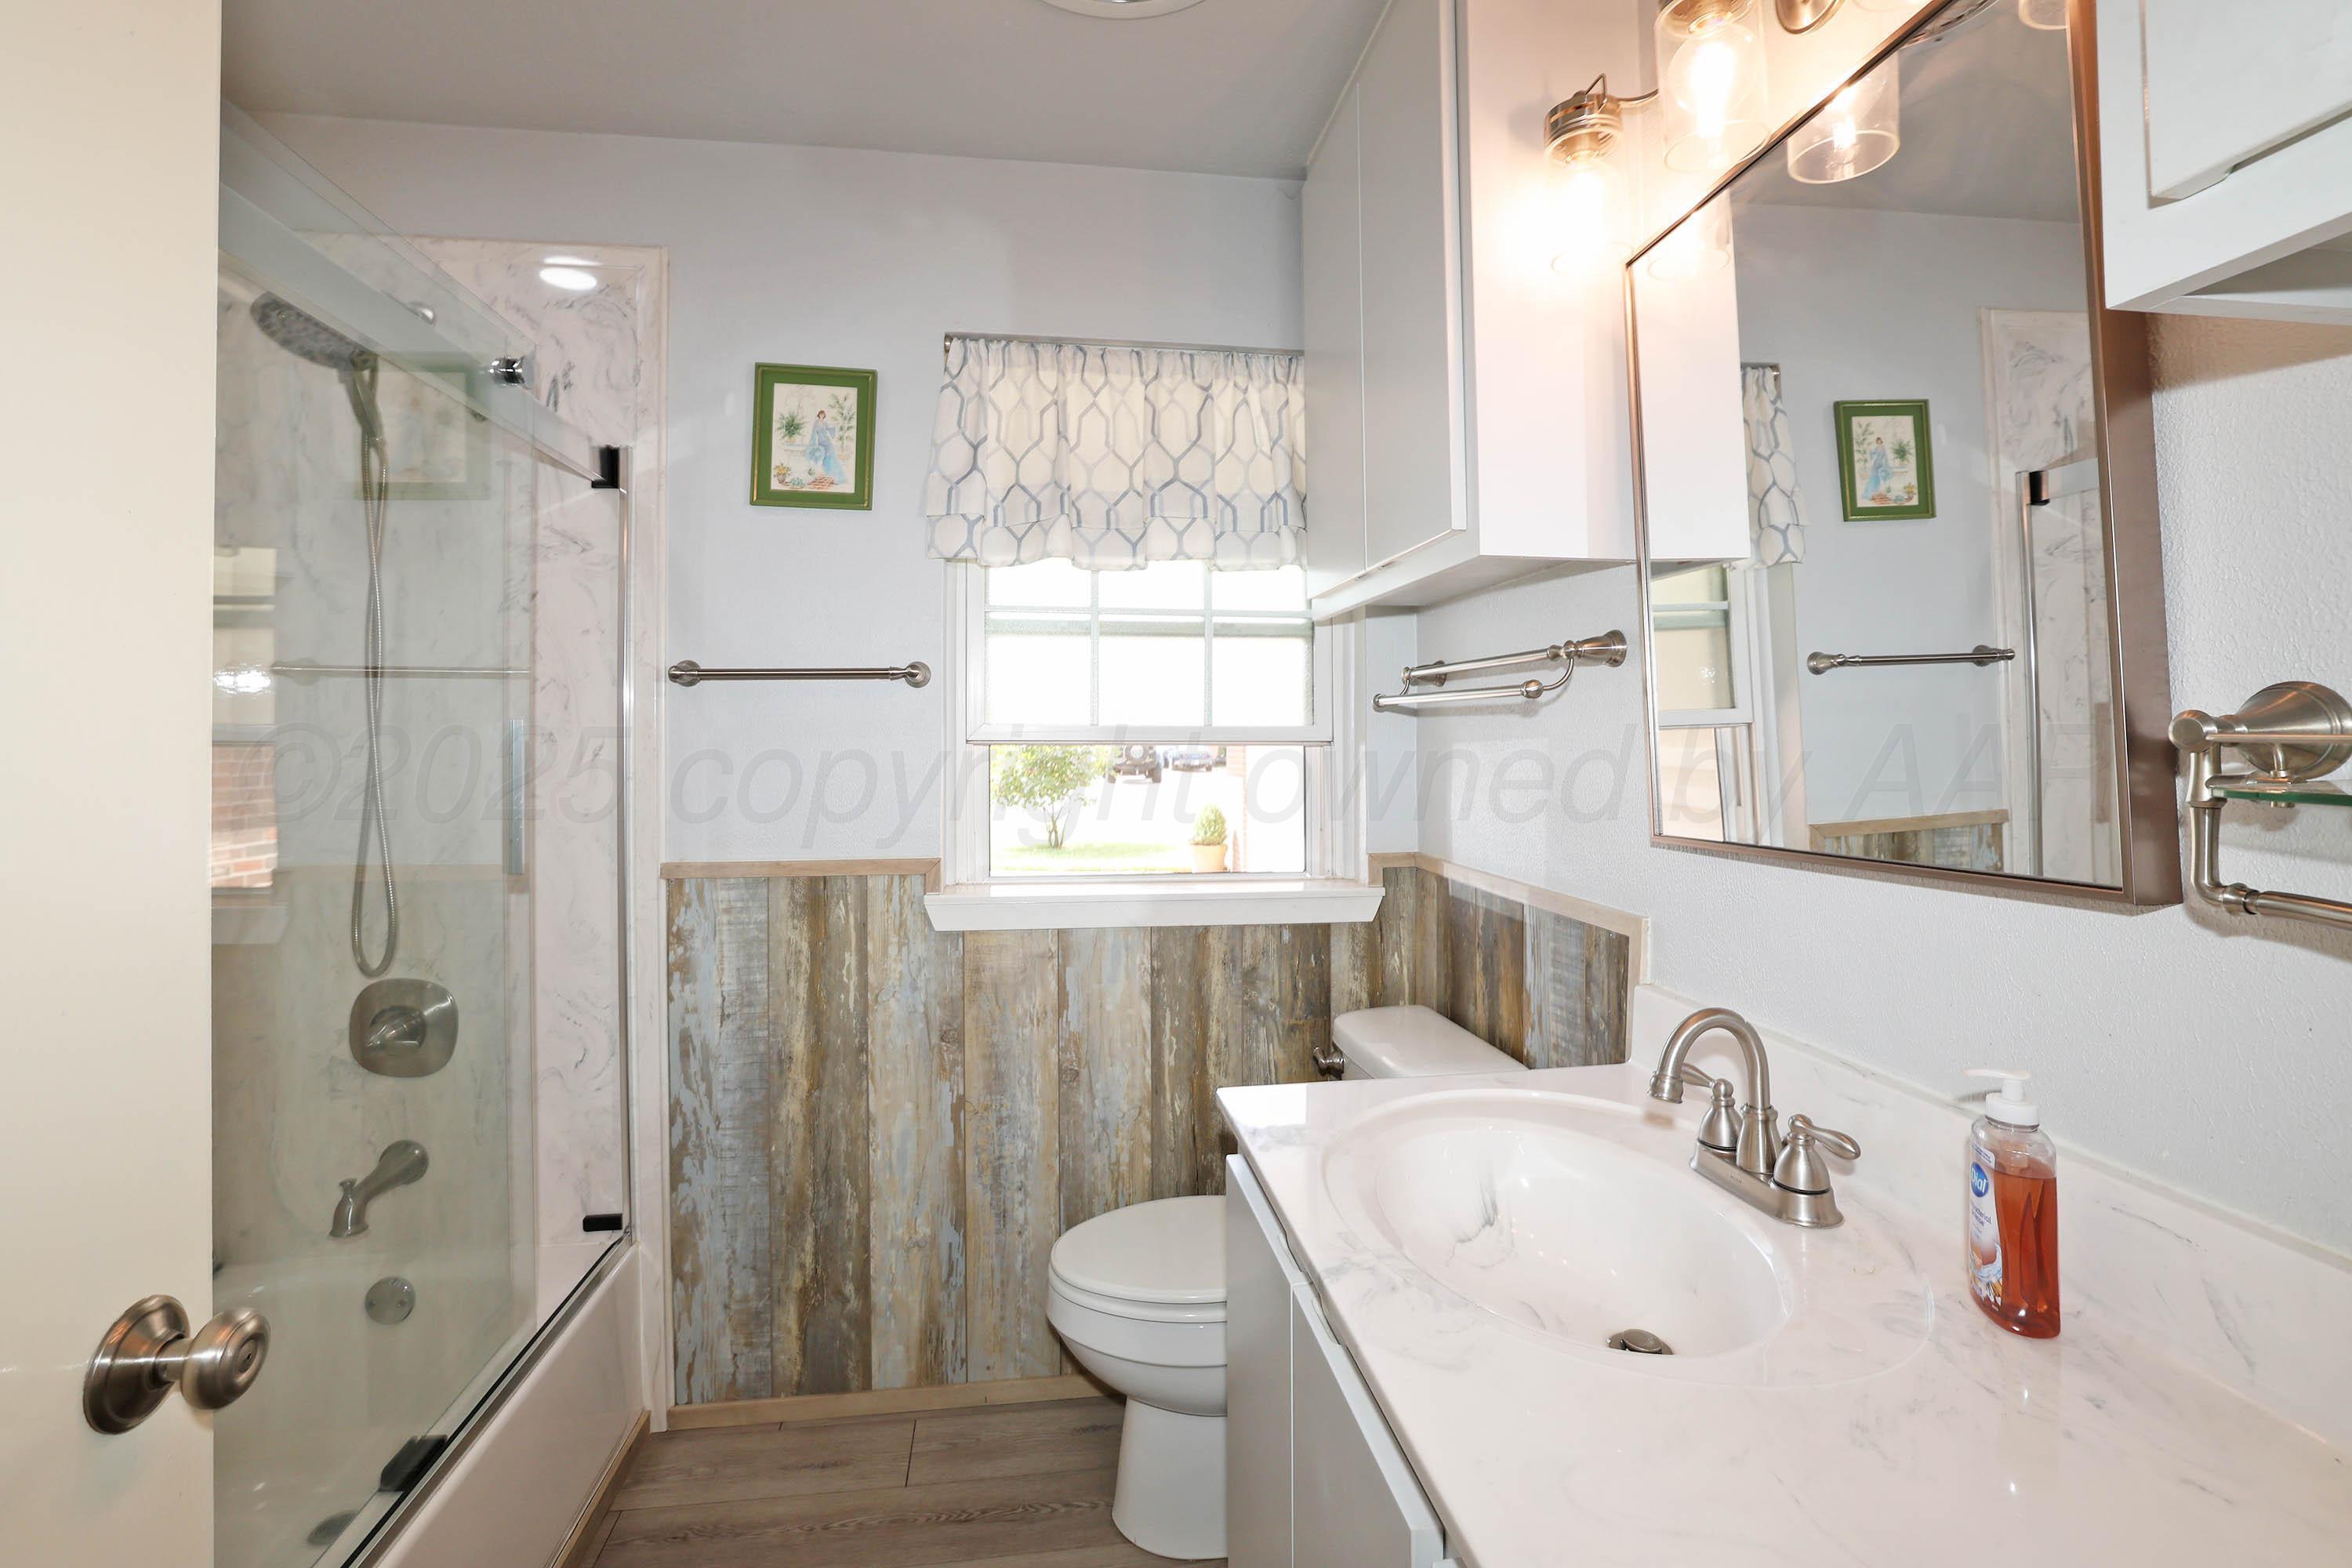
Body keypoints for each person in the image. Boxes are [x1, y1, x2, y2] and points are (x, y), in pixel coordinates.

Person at [806, 408, 847, 486]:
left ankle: (837, 477)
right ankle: (829, 475)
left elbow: (830, 429)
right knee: (824, 457)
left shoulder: (825, 423)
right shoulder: (816, 423)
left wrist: (834, 426)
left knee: (832, 457)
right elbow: (813, 433)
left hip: (827, 442)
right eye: (821, 414)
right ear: (819, 415)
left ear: (824, 416)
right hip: (821, 442)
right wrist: (814, 443)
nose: (822, 415)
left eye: (823, 414)